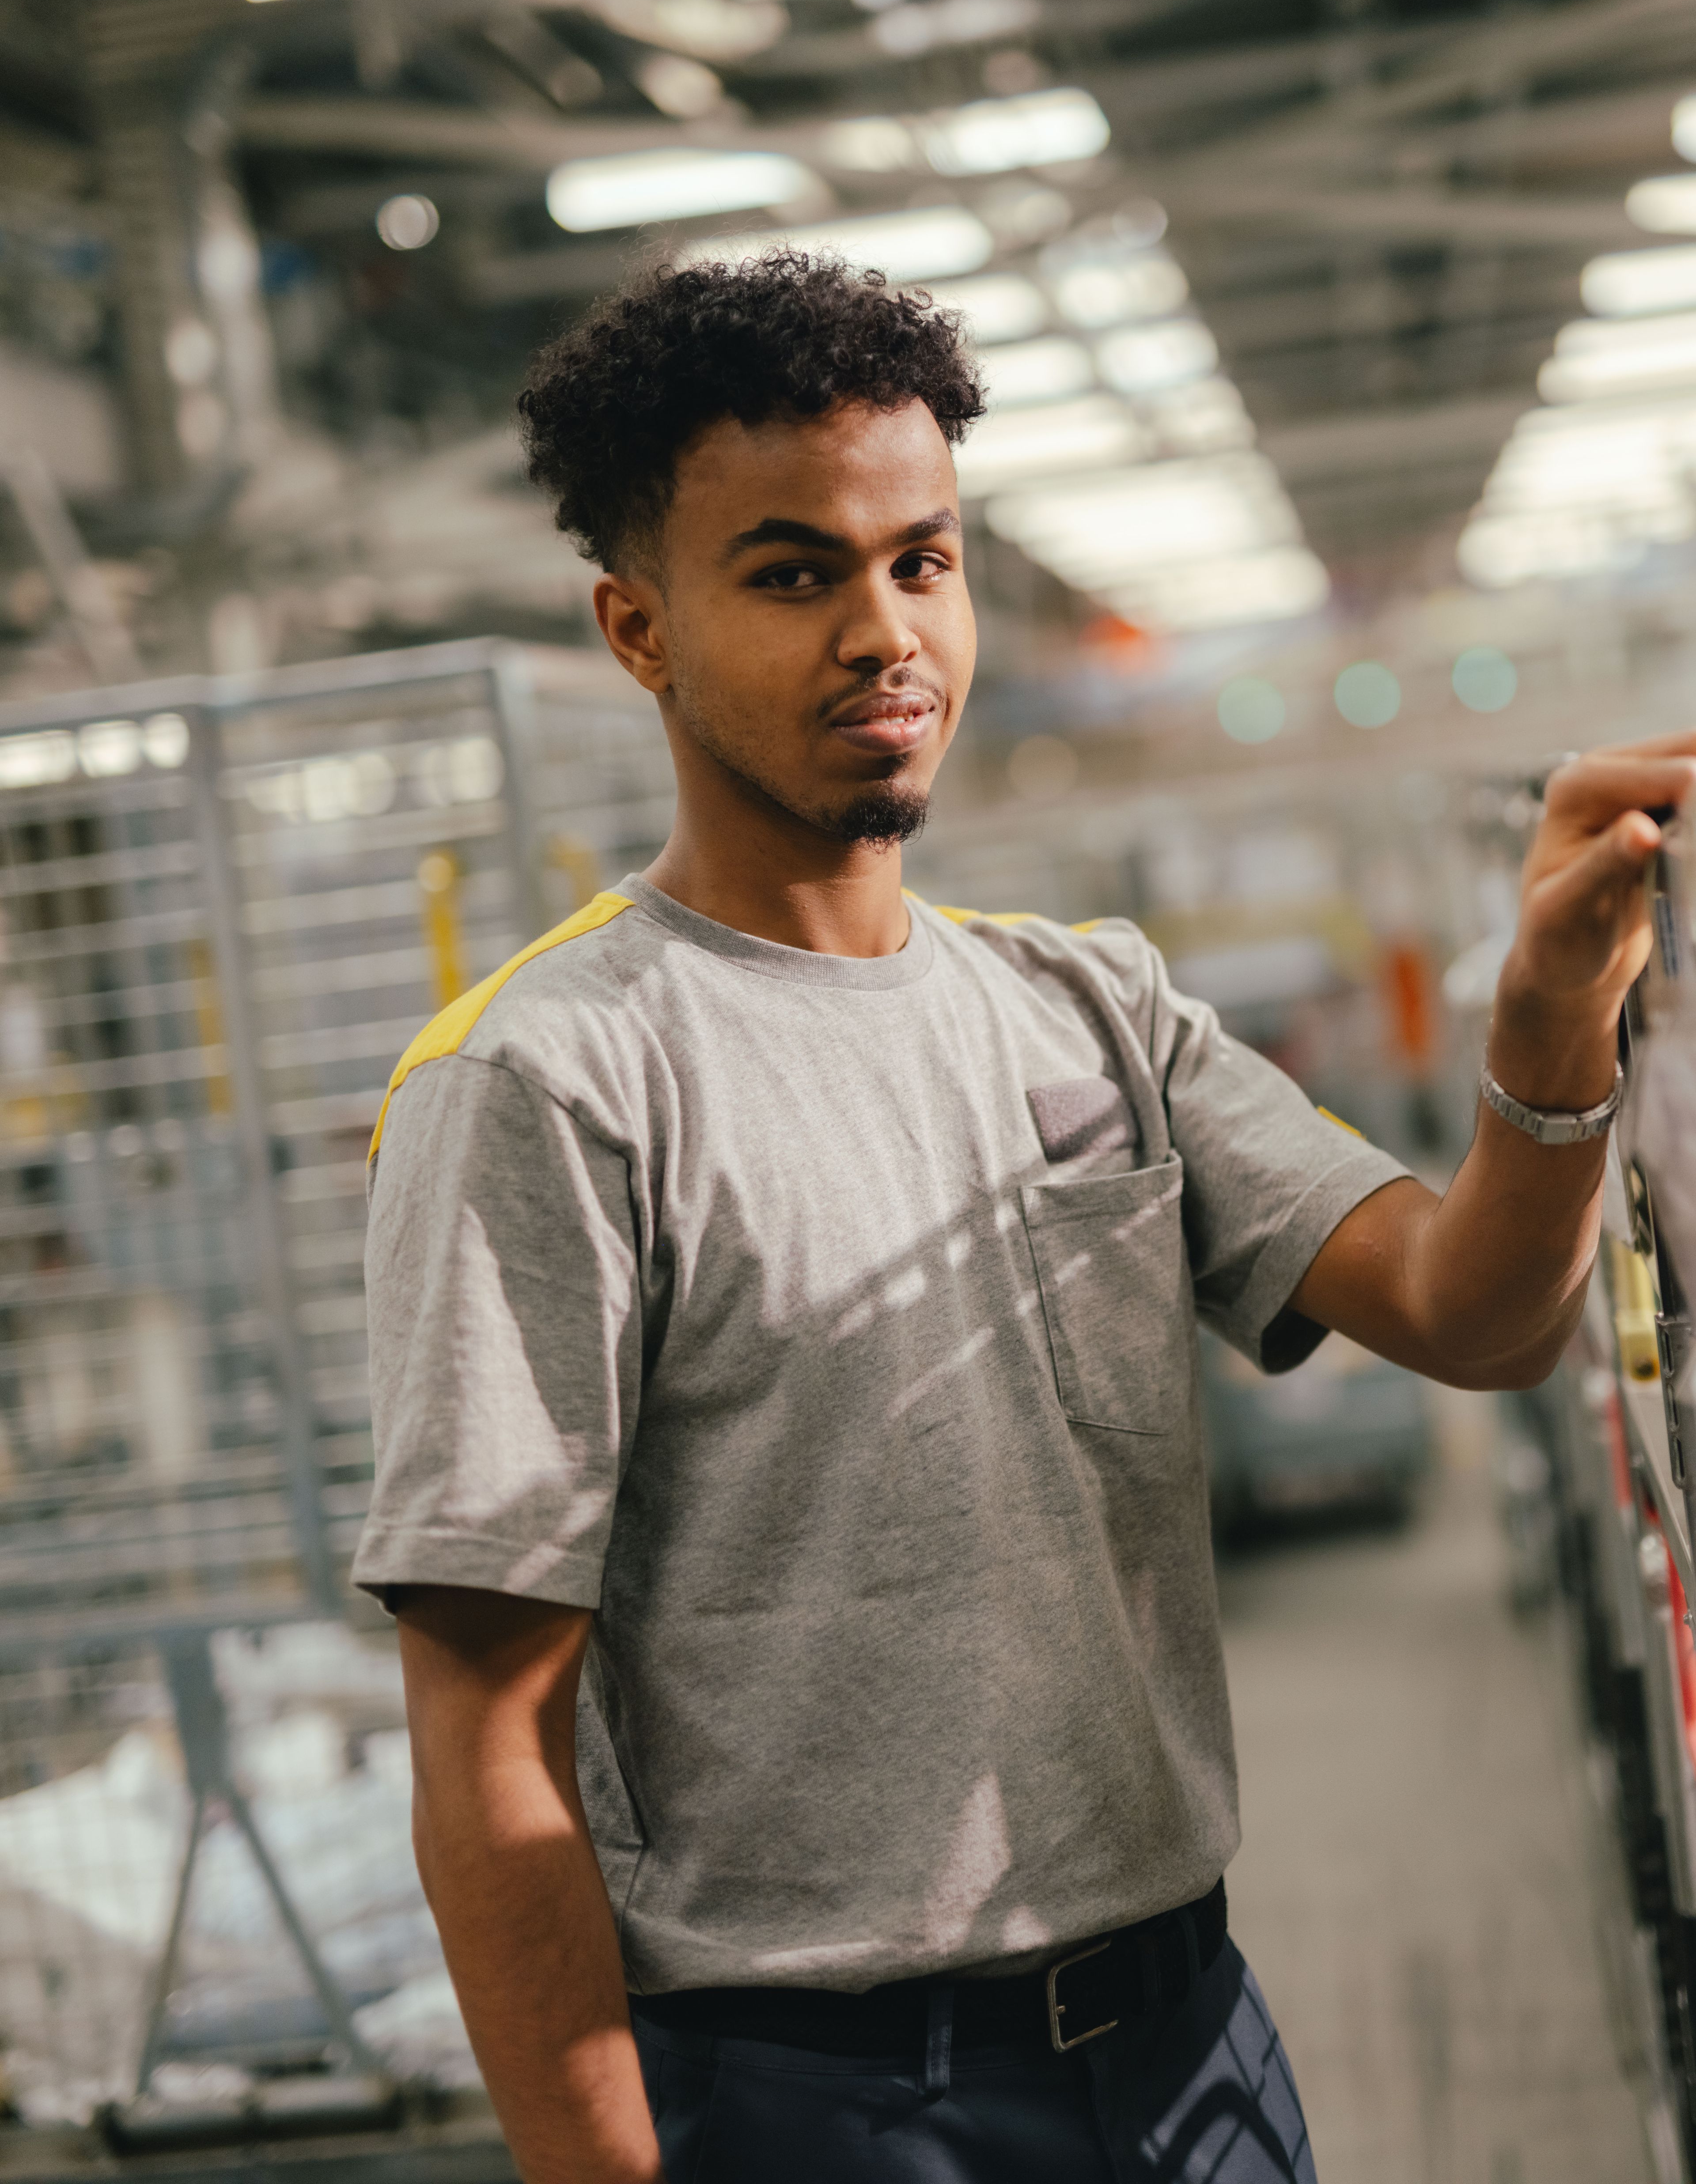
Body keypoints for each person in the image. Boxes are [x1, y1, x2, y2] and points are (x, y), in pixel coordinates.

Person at [353, 251, 1685, 2184]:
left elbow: (1470, 1310)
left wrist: (1555, 1020)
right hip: (827, 2096)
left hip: (1188, 2041)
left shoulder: (1095, 1004)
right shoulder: (549, 1082)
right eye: (796, 571)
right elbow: (490, 1744)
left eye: (927, 559)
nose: (888, 629)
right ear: (638, 630)